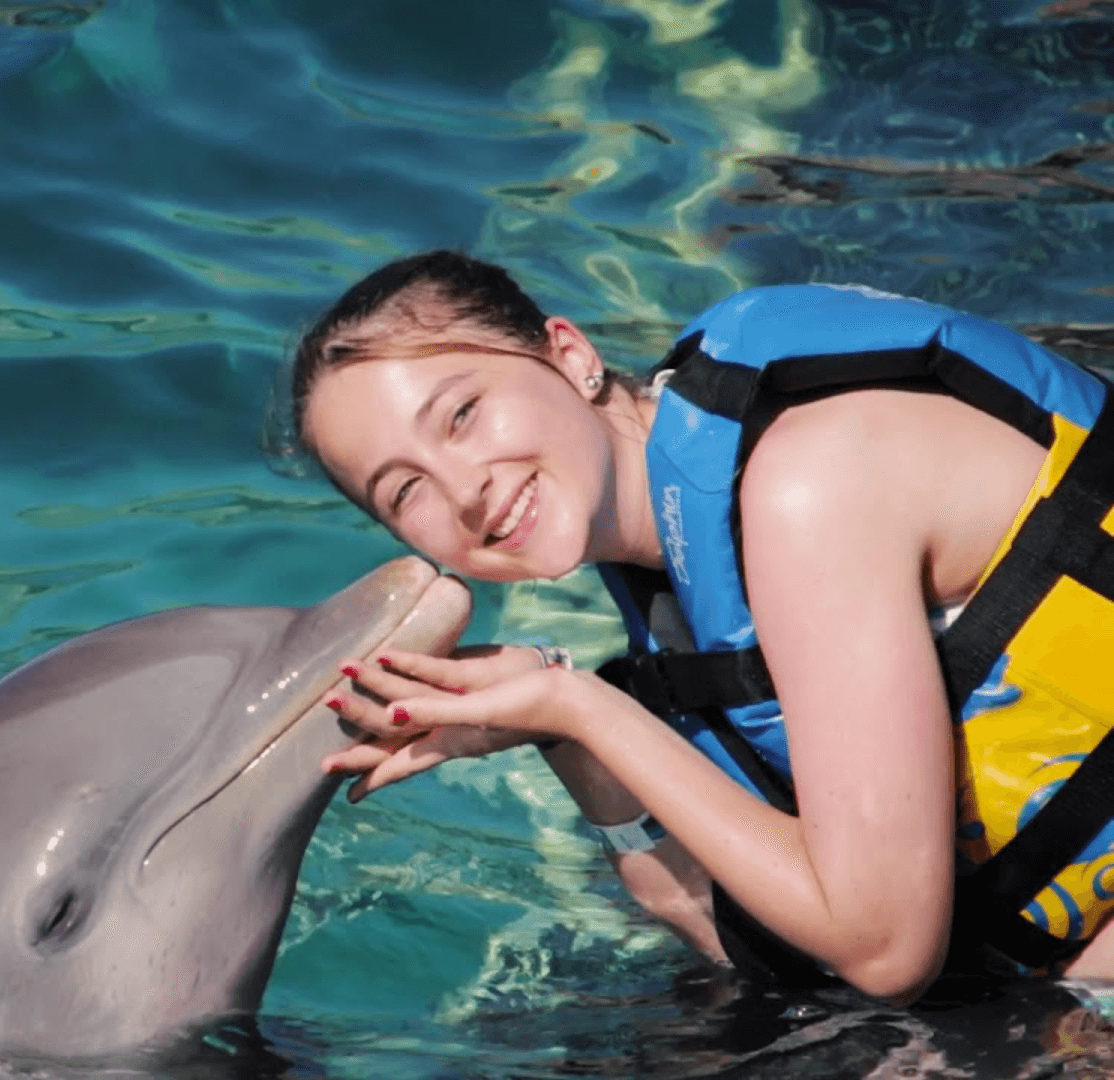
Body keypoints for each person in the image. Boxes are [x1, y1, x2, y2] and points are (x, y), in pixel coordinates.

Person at [288, 250, 1114, 1003]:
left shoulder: (803, 485)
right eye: (405, 493)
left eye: (462, 413)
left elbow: (885, 948)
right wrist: (561, 737)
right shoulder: (675, 580)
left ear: (569, 356)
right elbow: (731, 938)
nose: (463, 489)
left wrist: (581, 707)